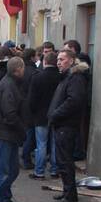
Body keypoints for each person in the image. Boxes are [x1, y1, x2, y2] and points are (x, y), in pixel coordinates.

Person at [48, 48, 90, 202]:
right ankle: (67, 191)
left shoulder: (75, 78)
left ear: (71, 61)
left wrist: (55, 114)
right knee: (62, 161)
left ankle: (70, 195)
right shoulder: (66, 76)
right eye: (58, 59)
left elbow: (74, 101)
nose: (58, 62)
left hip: (66, 126)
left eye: (62, 59)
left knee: (65, 161)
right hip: (61, 124)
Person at [0, 57, 27, 202]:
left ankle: (5, 198)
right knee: (3, 170)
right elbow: (9, 114)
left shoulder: (12, 83)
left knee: (12, 170)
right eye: (23, 68)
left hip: (8, 134)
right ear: (18, 69)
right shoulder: (8, 85)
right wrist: (22, 130)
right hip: (4, 134)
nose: (24, 71)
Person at [27, 49, 61, 179]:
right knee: (54, 144)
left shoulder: (38, 77)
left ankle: (39, 171)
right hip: (57, 115)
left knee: (41, 144)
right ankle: (54, 170)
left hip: (41, 115)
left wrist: (33, 112)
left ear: (45, 62)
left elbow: (32, 99)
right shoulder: (60, 77)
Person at [63, 39, 92, 161]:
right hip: (77, 99)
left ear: (74, 50)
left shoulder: (81, 62)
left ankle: (78, 151)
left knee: (79, 127)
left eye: (68, 50)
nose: (65, 53)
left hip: (81, 101)